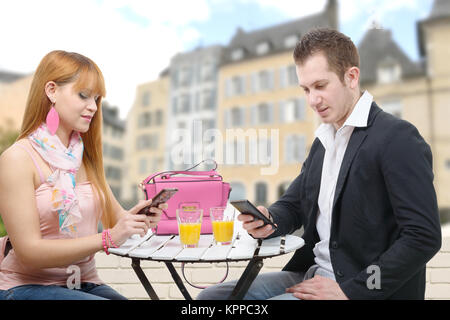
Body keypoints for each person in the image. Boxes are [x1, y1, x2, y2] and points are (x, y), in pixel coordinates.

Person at [197, 28, 442, 300]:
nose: (312, 100)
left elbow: (423, 237)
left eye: (320, 86)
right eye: (306, 89)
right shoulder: (323, 141)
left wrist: (352, 291)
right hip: (312, 274)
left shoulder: (397, 137)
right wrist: (269, 220)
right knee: (211, 298)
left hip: (357, 287)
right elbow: (293, 205)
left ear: (351, 77)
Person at [0, 50, 166, 300]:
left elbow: (115, 218)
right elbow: (28, 251)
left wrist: (136, 220)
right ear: (52, 90)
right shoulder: (18, 158)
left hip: (83, 282)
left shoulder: (84, 156)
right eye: (83, 95)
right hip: (25, 287)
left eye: (97, 99)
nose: (93, 107)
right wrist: (109, 238)